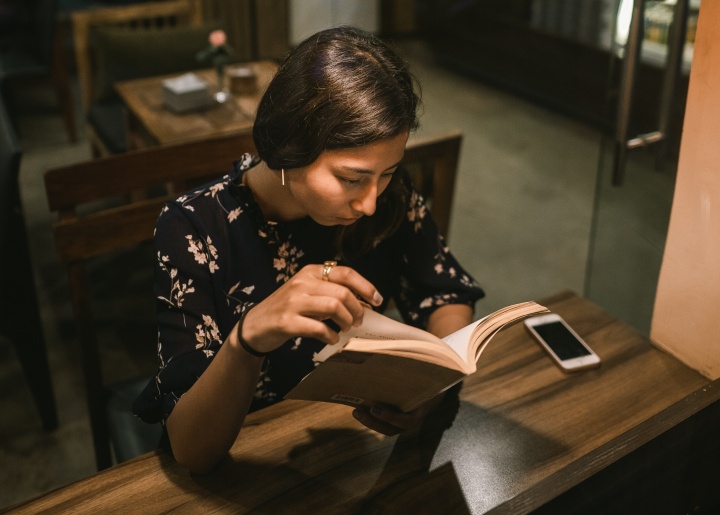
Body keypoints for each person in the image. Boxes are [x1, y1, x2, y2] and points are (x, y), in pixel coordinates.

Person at [134, 25, 485, 474]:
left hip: (350, 451)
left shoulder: (382, 196)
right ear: (287, 147)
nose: (370, 202)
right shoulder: (194, 228)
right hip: (252, 457)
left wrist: (429, 387)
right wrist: (245, 341)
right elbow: (195, 453)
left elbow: (443, 290)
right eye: (350, 178)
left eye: (390, 172)